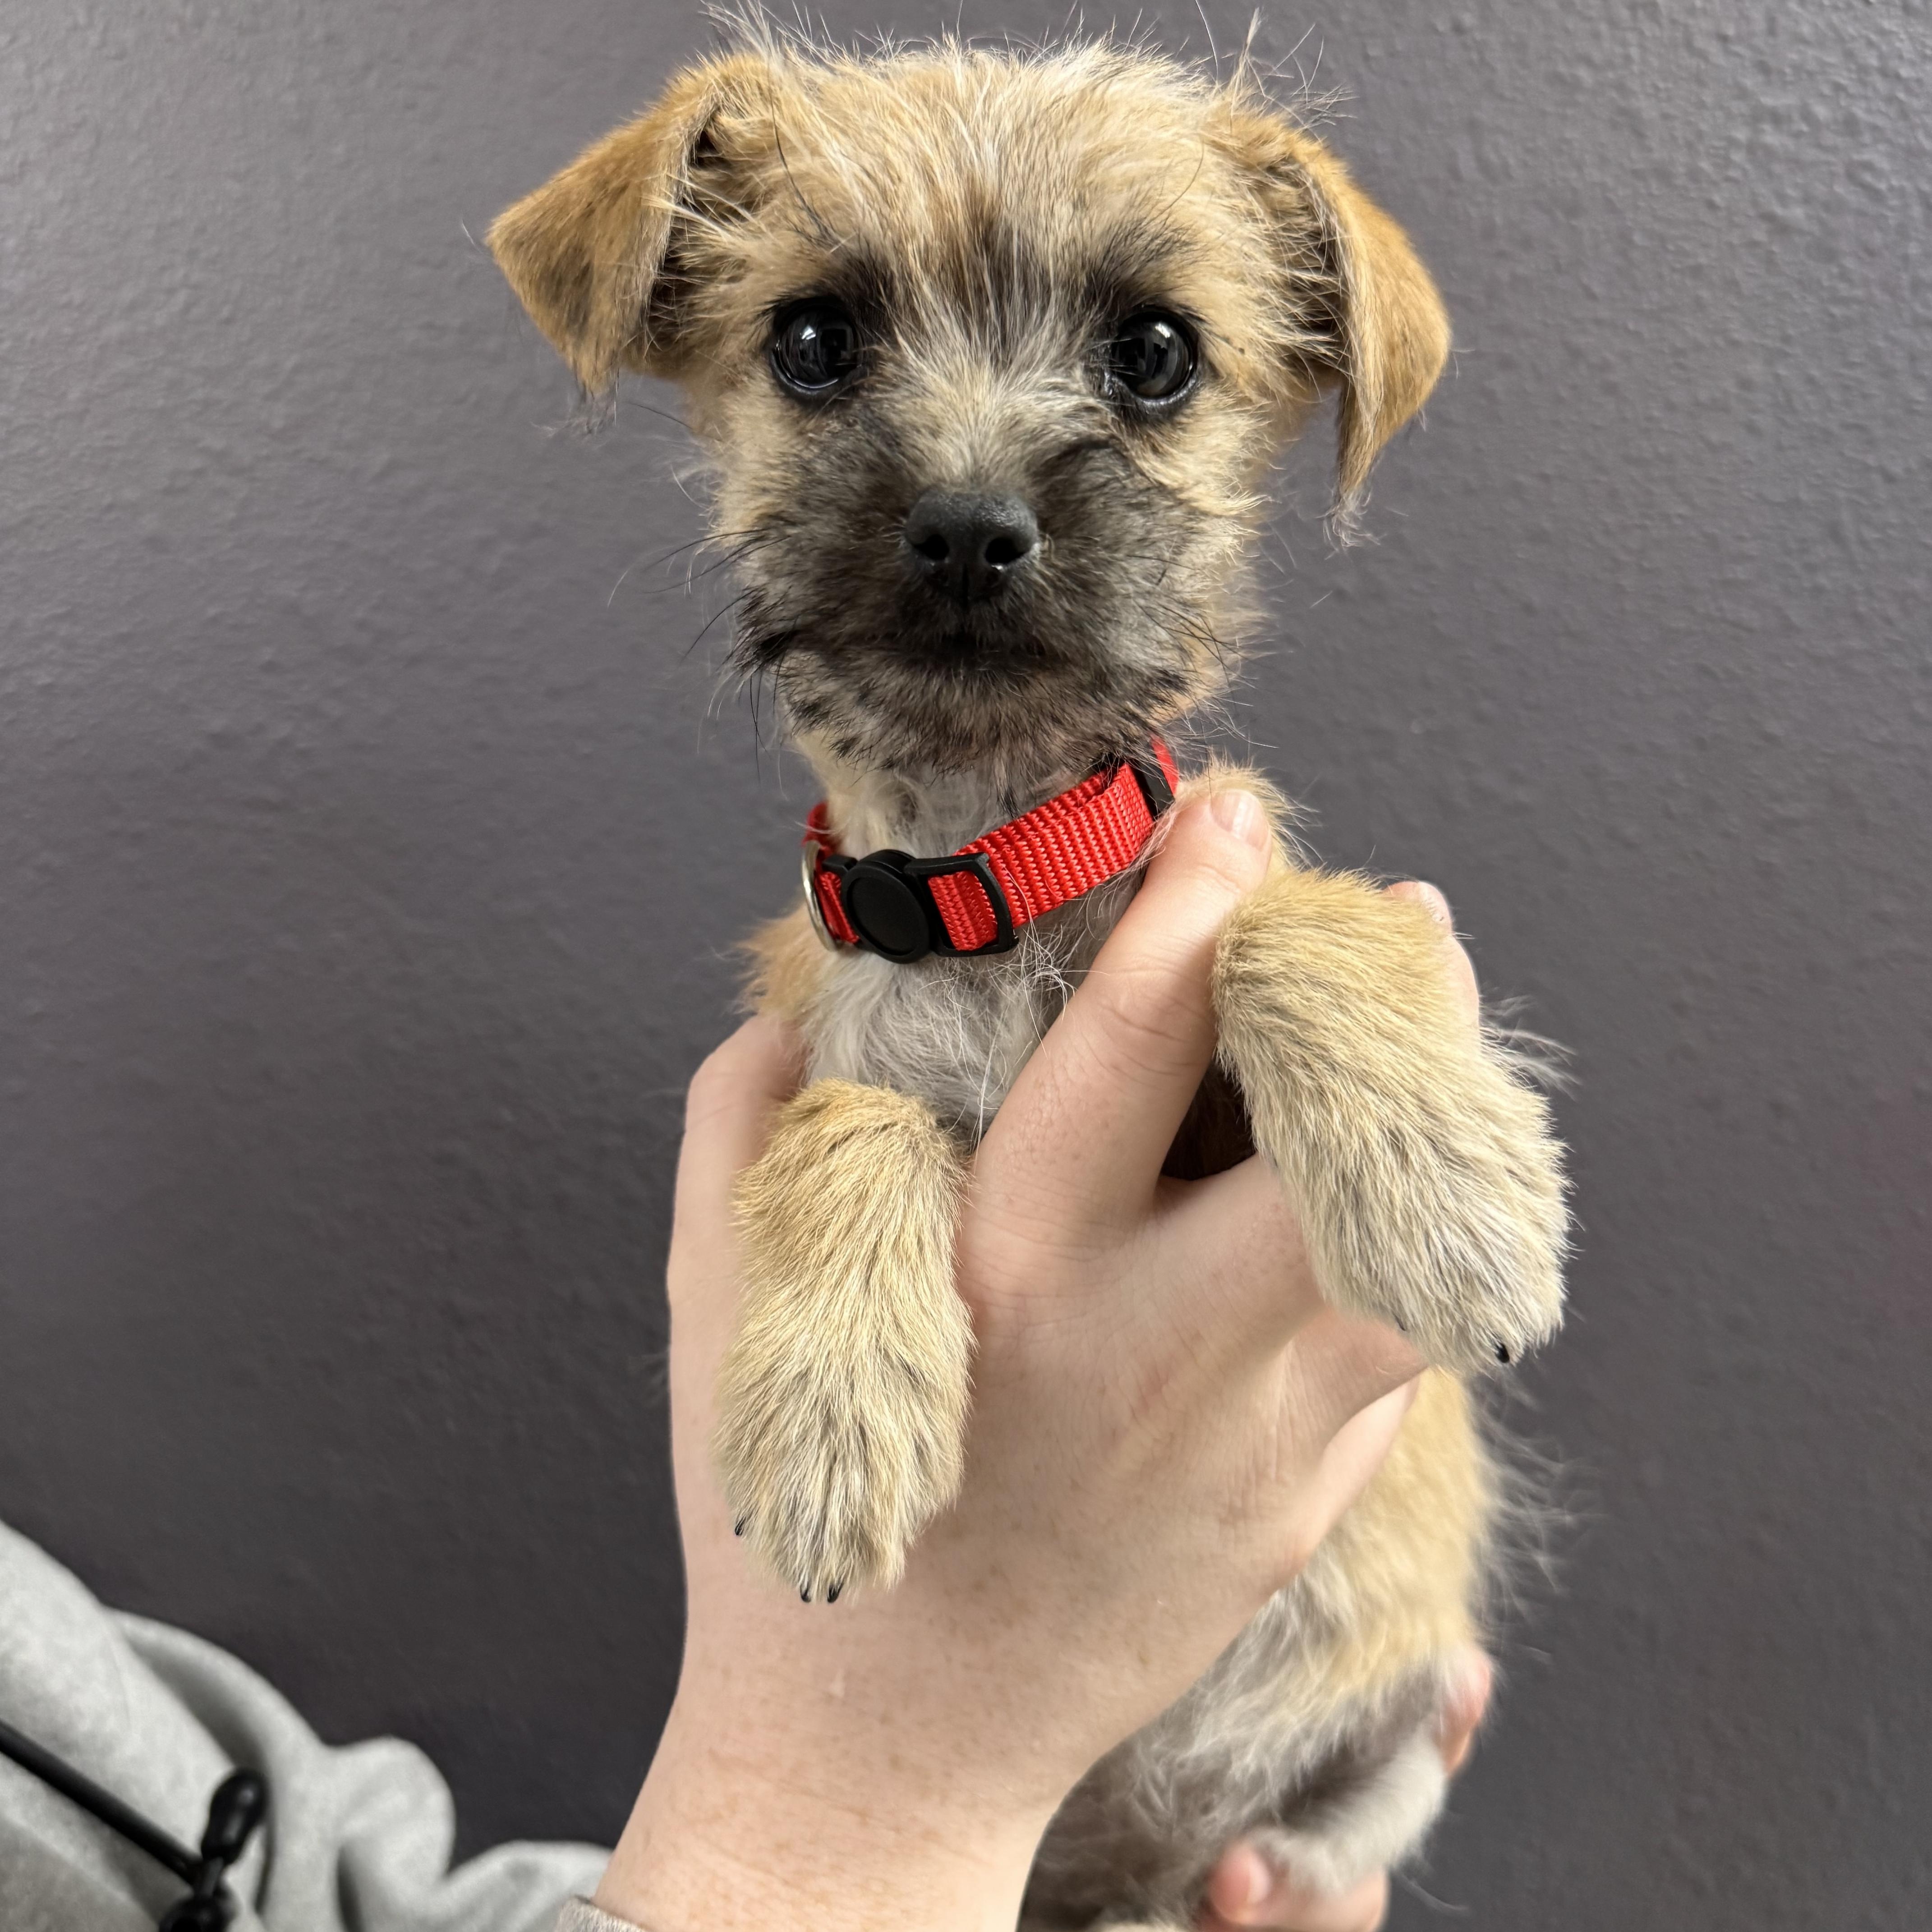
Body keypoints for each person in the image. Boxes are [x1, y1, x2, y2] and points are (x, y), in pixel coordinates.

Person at [0, 792, 1489, 1932]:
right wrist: (852, 1814)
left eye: (1146, 366)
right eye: (819, 363)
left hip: (1303, 1766)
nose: (968, 483)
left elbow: (316, 1874)